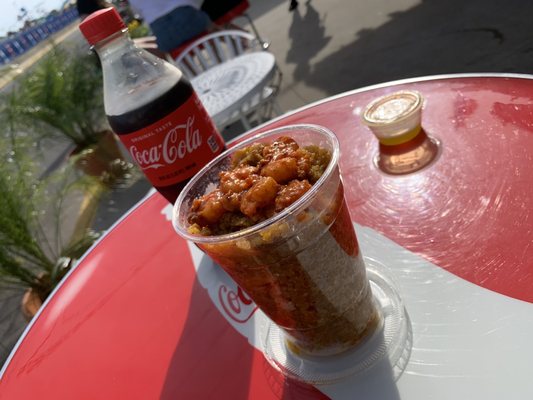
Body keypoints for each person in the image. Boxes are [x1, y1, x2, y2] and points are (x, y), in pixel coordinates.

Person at [128, 0, 213, 52]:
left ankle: (192, 73)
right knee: (207, 23)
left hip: (164, 34)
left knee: (168, 50)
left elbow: (138, 14)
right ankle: (220, 56)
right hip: (187, 18)